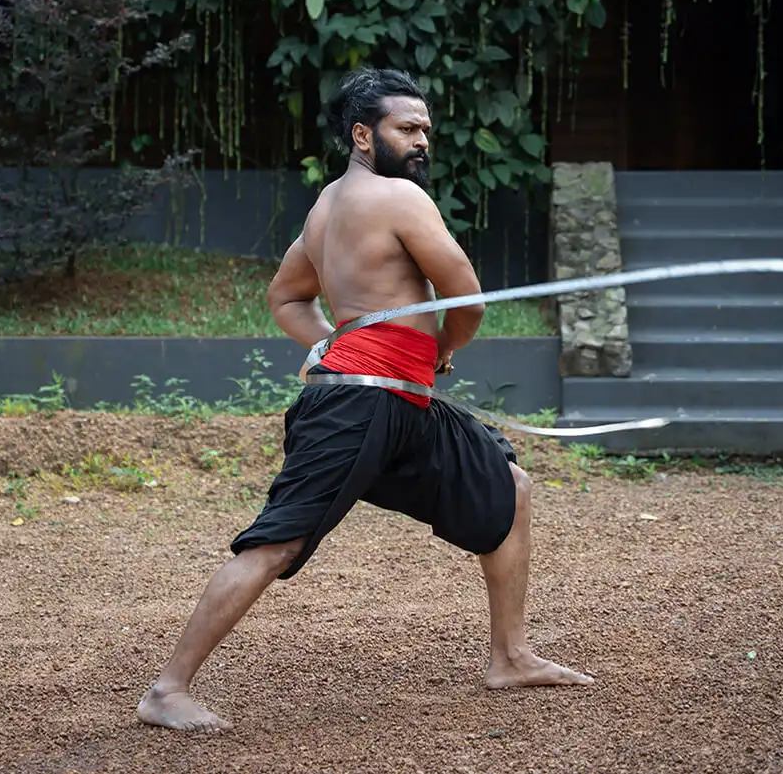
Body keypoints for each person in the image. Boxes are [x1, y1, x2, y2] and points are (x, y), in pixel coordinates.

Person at [136, 67, 593, 734]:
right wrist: (439, 348)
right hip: (357, 408)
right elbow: (464, 298)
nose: (422, 141)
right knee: (276, 544)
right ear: (361, 133)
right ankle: (167, 688)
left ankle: (511, 655)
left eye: (426, 130)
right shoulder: (399, 199)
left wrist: (329, 343)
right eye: (406, 128)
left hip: (399, 406)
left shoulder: (325, 209)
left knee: (509, 484)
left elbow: (286, 297)